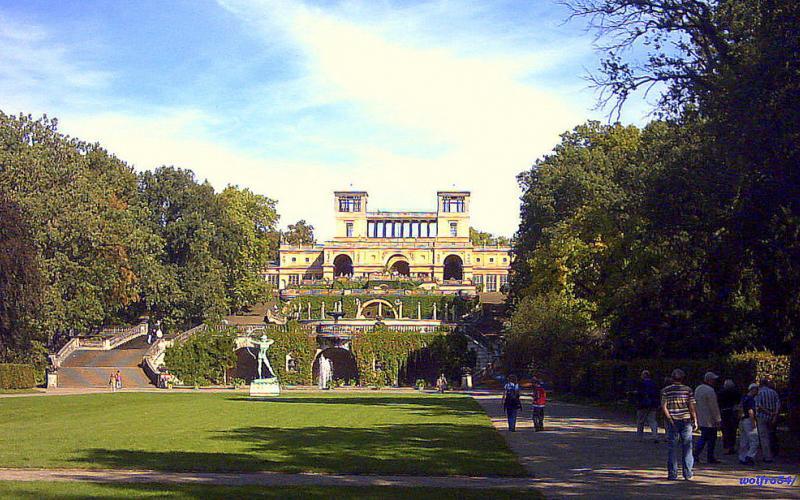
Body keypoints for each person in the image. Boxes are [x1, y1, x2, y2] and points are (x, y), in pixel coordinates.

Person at [661, 368, 698, 481]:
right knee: (687, 447)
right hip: (685, 420)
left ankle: (672, 474)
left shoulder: (666, 390)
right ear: (683, 378)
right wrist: (695, 419)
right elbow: (691, 406)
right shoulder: (687, 390)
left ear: (672, 378)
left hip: (672, 421)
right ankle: (688, 473)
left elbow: (664, 406)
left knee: (672, 448)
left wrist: (669, 418)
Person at [694, 372, 722, 464]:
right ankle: (707, 456)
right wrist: (718, 419)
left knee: (704, 437)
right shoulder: (710, 390)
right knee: (710, 439)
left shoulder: (698, 388)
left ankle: (696, 455)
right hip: (710, 419)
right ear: (710, 380)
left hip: (701, 416)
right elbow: (713, 406)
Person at [755, 377, 780, 462]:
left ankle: (767, 456)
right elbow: (778, 404)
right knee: (771, 435)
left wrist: (768, 412)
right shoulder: (774, 393)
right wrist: (774, 415)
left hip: (762, 416)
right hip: (772, 417)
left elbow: (758, 405)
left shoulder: (759, 393)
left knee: (763, 437)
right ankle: (774, 453)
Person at [738, 383, 760, 465]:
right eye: (756, 389)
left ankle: (742, 457)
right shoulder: (751, 399)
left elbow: (740, 408)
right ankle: (749, 456)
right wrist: (753, 421)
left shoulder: (744, 398)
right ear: (753, 389)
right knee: (754, 440)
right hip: (748, 420)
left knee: (744, 440)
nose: (757, 391)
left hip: (742, 420)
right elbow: (751, 411)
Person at [636, 370, 660, 442]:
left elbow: (639, 394)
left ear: (643, 375)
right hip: (653, 405)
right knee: (652, 421)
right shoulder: (654, 384)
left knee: (640, 421)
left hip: (642, 405)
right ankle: (655, 436)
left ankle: (640, 437)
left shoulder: (641, 383)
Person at [718, 379, 741, 455]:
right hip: (733, 412)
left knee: (725, 431)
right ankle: (732, 447)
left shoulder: (721, 393)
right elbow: (738, 402)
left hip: (724, 412)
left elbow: (718, 403)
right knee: (733, 431)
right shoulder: (736, 392)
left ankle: (726, 448)